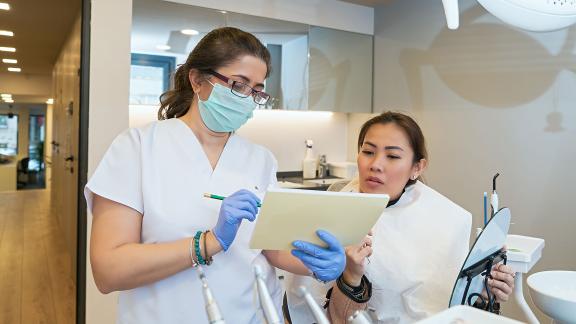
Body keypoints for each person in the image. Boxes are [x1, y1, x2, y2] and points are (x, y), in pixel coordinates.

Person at [85, 27, 345, 324]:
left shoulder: (259, 159)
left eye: (257, 90)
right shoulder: (138, 148)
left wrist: (319, 263)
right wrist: (209, 242)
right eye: (238, 85)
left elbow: (271, 249)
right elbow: (109, 270)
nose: (248, 98)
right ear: (197, 80)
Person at [285, 112, 515, 323]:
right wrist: (351, 277)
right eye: (368, 152)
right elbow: (332, 316)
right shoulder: (334, 208)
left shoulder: (447, 219)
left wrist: (483, 294)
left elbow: (453, 304)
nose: (375, 165)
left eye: (392, 156)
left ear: (417, 167)